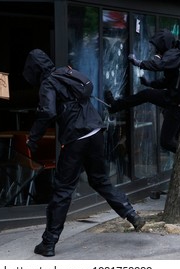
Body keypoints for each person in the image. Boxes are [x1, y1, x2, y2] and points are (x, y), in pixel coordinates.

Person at [22, 48, 145, 257]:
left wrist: (33, 138)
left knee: (63, 189)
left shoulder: (48, 83)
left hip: (76, 137)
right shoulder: (66, 73)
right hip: (95, 131)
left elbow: (48, 112)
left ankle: (48, 243)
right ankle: (130, 213)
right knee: (100, 180)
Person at [105, 28, 180, 153]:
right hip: (175, 99)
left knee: (167, 142)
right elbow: (169, 81)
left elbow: (159, 65)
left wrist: (138, 63)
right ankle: (114, 106)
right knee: (146, 95)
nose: (156, 50)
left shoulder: (176, 53)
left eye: (157, 47)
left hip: (176, 104)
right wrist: (150, 83)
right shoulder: (178, 54)